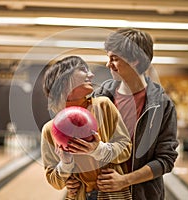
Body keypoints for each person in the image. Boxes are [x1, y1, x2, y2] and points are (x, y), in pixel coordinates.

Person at [66, 28, 179, 199]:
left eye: (114, 59)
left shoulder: (162, 105)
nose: (108, 64)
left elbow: (166, 160)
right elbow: (82, 146)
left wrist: (124, 180)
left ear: (134, 60)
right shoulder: (99, 97)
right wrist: (73, 178)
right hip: (99, 194)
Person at [41, 55, 132, 200]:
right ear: (65, 79)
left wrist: (98, 150)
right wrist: (65, 164)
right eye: (83, 70)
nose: (91, 74)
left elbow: (126, 148)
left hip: (114, 195)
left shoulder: (103, 106)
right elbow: (55, 182)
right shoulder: (49, 130)